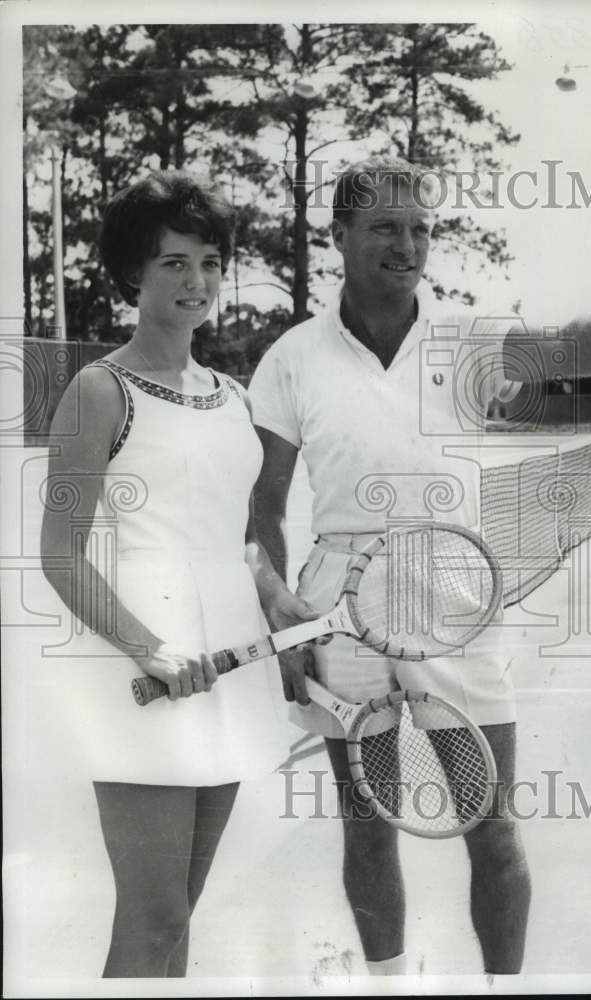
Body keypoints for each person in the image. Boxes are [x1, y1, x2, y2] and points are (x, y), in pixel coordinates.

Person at [248, 156, 591, 977]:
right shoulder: (291, 356)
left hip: (458, 599)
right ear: (340, 236)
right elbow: (263, 507)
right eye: (386, 226)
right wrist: (277, 611)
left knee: (490, 824)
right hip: (341, 613)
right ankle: (387, 987)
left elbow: (574, 347)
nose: (408, 244)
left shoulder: (467, 337)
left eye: (421, 228)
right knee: (367, 819)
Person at [39, 171, 318, 978]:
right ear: (134, 273)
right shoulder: (98, 391)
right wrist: (148, 647)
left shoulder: (230, 395)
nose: (196, 283)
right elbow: (59, 551)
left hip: (227, 666)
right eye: (173, 264)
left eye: (208, 263)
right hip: (142, 675)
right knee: (154, 917)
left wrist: (280, 604)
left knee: (179, 919)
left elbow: (237, 542)